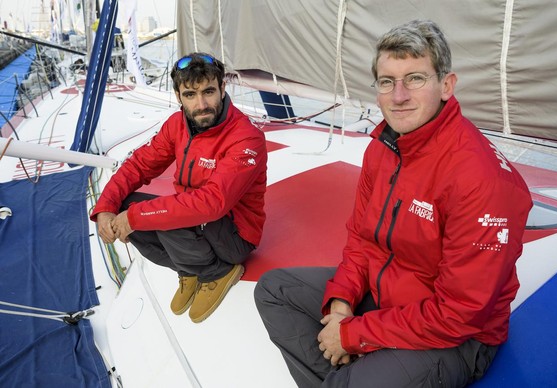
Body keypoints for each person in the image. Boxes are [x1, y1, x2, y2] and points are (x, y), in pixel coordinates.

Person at [254, 19, 532, 387]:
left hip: (457, 337)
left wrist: (353, 335)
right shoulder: (383, 149)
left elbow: (459, 314)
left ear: (446, 85)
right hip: (386, 297)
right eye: (387, 82)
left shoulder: (480, 180)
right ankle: (347, 374)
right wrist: (341, 303)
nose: (399, 95)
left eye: (415, 78)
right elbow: (362, 239)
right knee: (275, 291)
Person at [92, 52, 267, 323]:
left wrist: (138, 217)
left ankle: (216, 272)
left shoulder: (246, 137)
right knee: (126, 206)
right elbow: (138, 165)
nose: (201, 104)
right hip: (198, 221)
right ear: (178, 96)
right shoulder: (177, 124)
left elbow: (212, 203)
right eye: (190, 95)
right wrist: (106, 206)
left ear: (222, 89)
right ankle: (189, 270)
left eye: (209, 92)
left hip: (234, 235)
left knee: (156, 214)